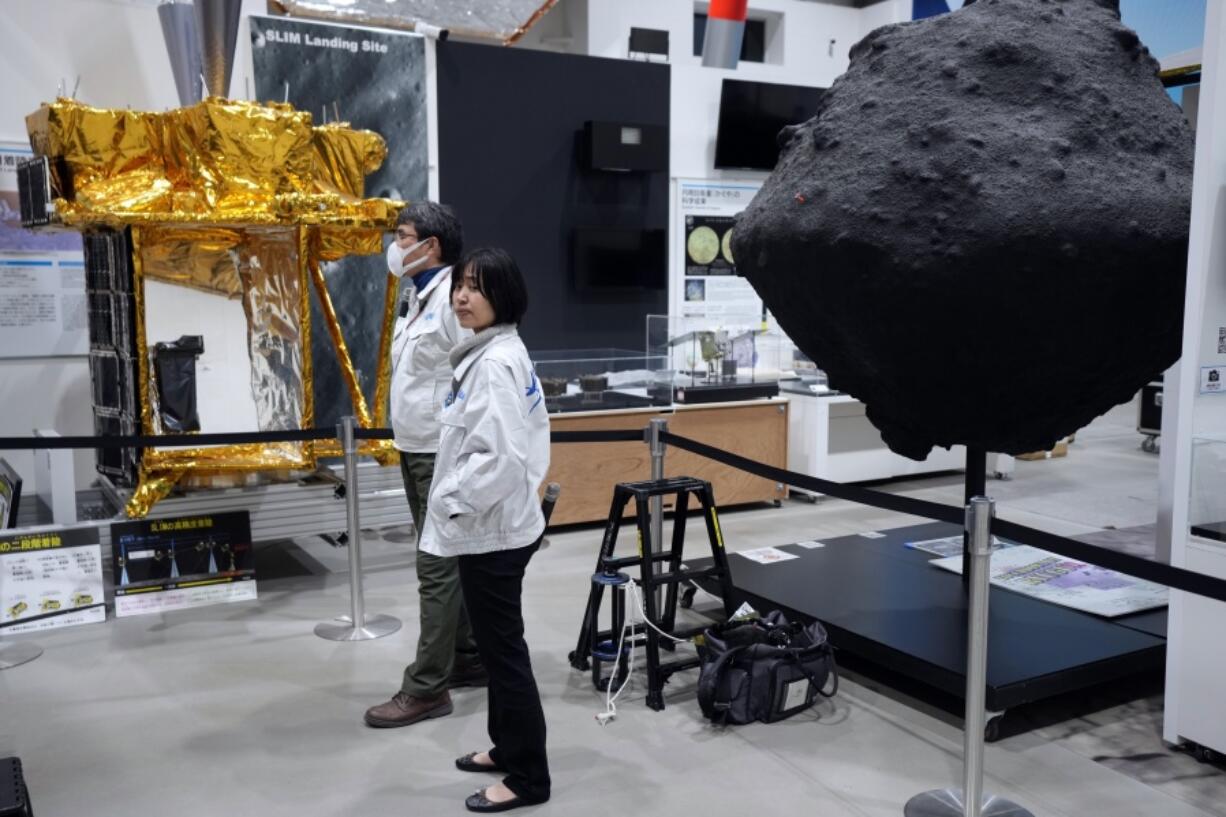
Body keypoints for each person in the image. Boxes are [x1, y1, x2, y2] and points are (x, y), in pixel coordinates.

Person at [419, 248, 551, 813]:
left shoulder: (495, 363)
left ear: (504, 294)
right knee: (499, 653)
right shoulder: (493, 352)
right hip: (497, 527)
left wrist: (448, 502)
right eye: (459, 286)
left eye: (476, 286)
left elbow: (497, 460)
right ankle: (507, 747)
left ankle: (528, 779)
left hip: (491, 531)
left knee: (505, 654)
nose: (461, 296)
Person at [364, 202, 487, 729]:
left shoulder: (453, 302)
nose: (396, 245)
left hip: (442, 450)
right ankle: (466, 656)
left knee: (435, 568)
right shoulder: (421, 297)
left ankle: (428, 687)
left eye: (403, 235)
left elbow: (478, 372)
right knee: (446, 560)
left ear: (430, 245)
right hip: (416, 446)